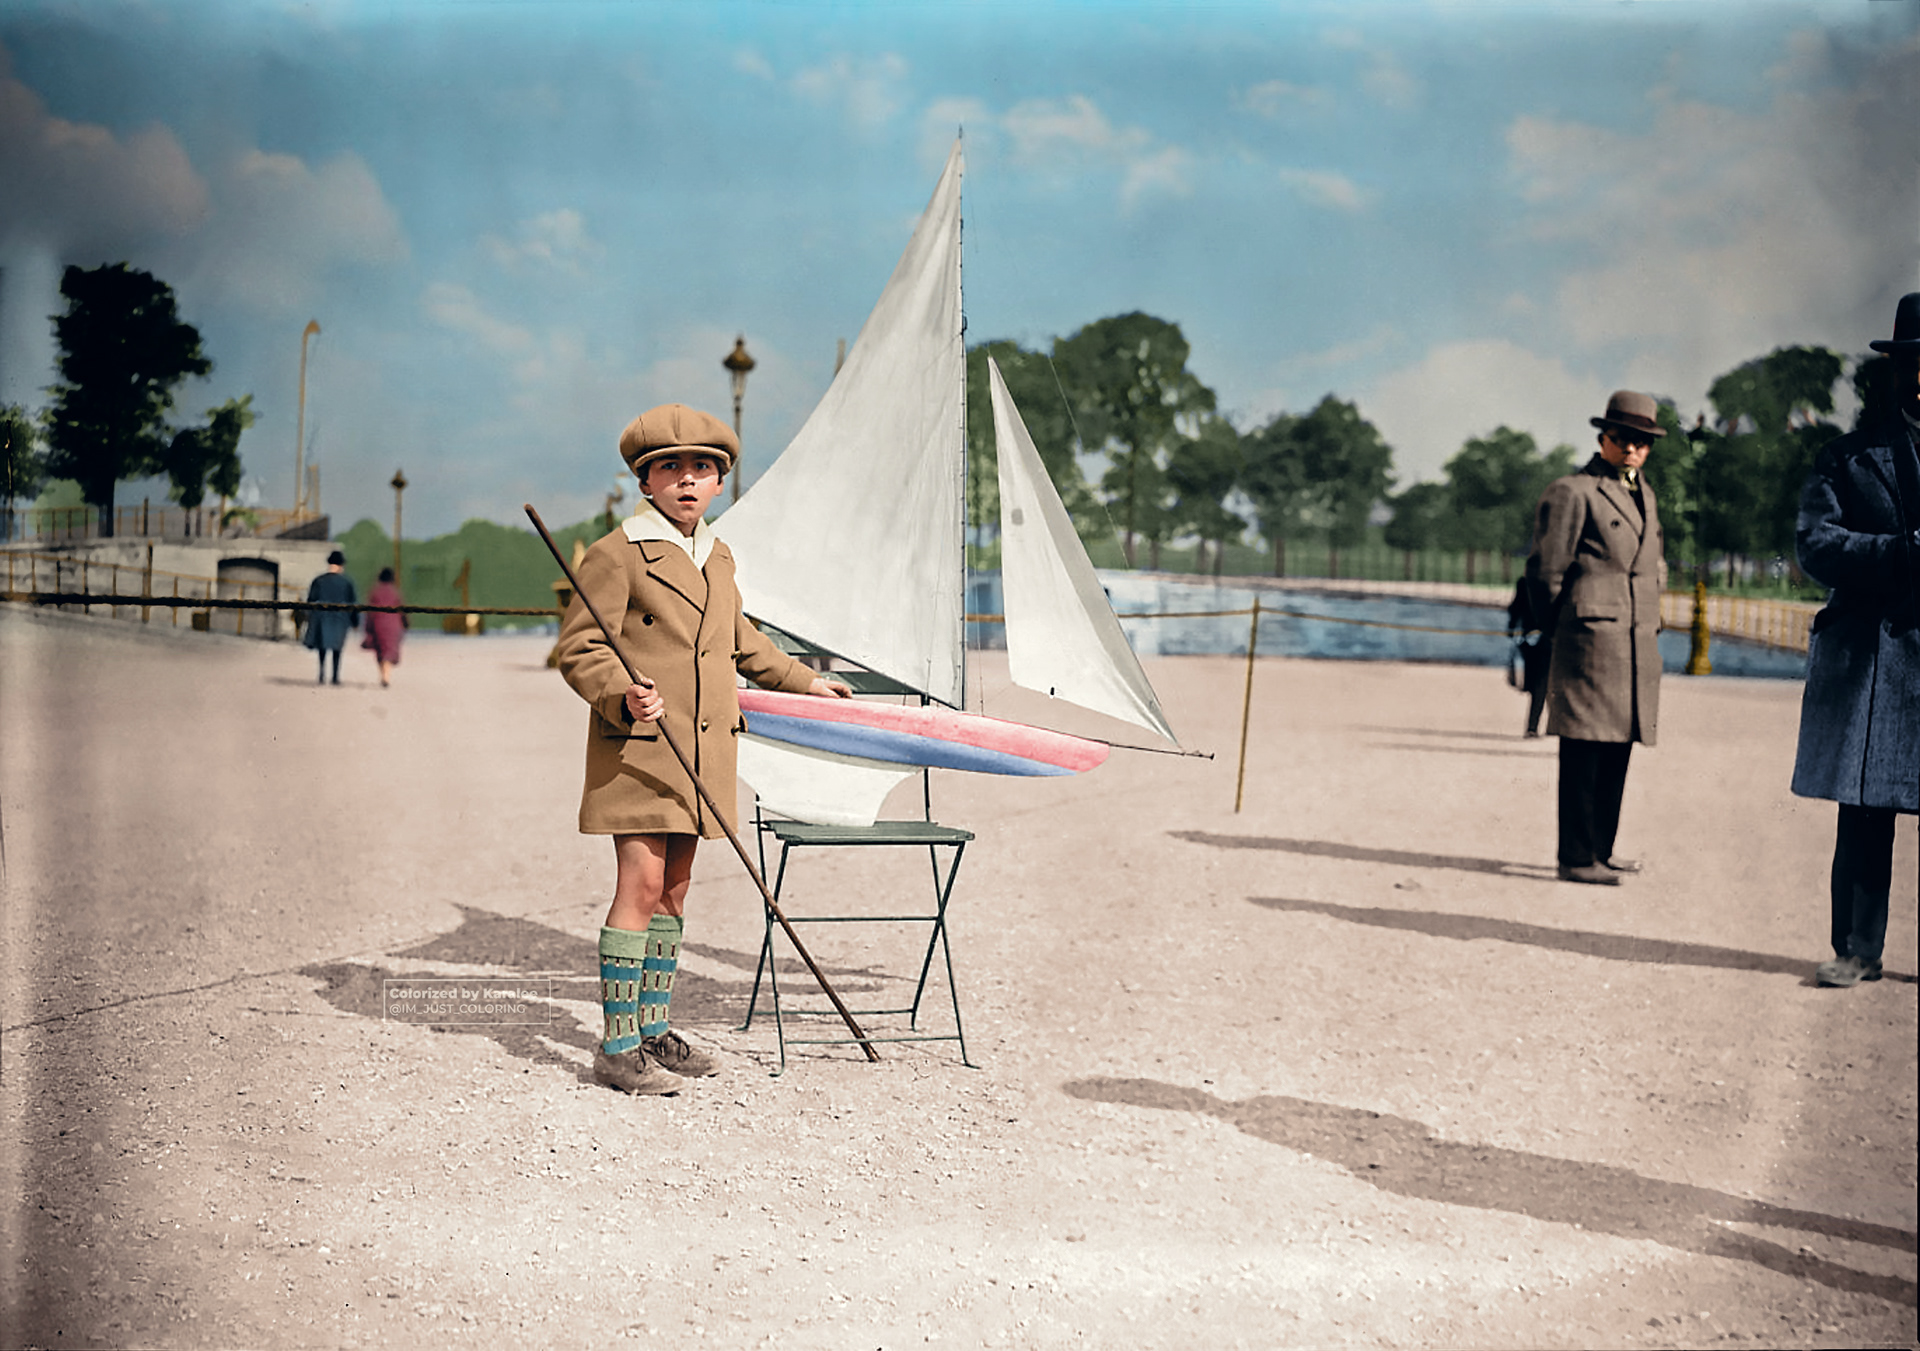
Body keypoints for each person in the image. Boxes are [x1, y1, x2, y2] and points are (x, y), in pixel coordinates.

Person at [556, 403, 851, 1095]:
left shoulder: (718, 555)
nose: (687, 480)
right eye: (671, 468)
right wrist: (621, 691)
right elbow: (579, 647)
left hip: (704, 754)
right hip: (641, 747)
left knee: (677, 891)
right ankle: (616, 1045)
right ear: (645, 480)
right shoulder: (616, 553)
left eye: (703, 469)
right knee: (640, 884)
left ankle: (653, 1027)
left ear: (719, 483)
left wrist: (808, 681)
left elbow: (742, 642)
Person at [1790, 292, 1920, 988]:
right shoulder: (1845, 457)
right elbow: (1815, 544)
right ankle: (1855, 949)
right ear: (1896, 370)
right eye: (1916, 364)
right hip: (1872, 656)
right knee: (1866, 811)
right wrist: (1902, 553)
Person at [1525, 390, 1667, 886]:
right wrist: (1564, 626)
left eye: (1643, 443)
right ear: (1602, 438)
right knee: (1584, 750)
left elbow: (1652, 567)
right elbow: (1546, 571)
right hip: (1589, 639)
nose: (1632, 450)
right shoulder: (1574, 491)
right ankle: (1575, 856)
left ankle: (1600, 851)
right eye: (1623, 439)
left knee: (1617, 750)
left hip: (1634, 643)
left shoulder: (1644, 494)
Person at [301, 549, 358, 685]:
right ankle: (335, 676)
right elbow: (353, 603)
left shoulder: (319, 580)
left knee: (322, 647)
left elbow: (310, 601)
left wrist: (309, 618)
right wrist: (355, 621)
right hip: (340, 620)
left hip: (322, 618)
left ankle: (321, 674)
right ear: (342, 565)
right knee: (337, 648)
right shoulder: (347, 582)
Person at [1506, 576, 1551, 738]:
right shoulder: (1555, 581)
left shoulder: (1525, 581)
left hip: (1527, 638)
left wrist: (1511, 628)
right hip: (1547, 638)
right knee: (1543, 683)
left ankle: (1533, 725)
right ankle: (1538, 725)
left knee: (1536, 683)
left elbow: (1515, 607)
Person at [363, 566, 407, 688]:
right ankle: (386, 676)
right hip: (393, 625)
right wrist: (406, 623)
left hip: (378, 624)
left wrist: (368, 626)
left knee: (380, 651)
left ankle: (383, 675)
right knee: (389, 650)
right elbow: (402, 609)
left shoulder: (375, 592)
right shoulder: (395, 592)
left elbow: (370, 611)